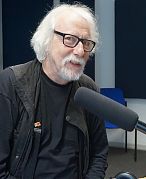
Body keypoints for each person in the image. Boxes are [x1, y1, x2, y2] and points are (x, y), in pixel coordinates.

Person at [0, 3, 108, 179]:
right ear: (47, 40)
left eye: (86, 43)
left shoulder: (89, 90)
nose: (80, 51)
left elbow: (99, 154)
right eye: (70, 39)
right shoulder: (11, 84)